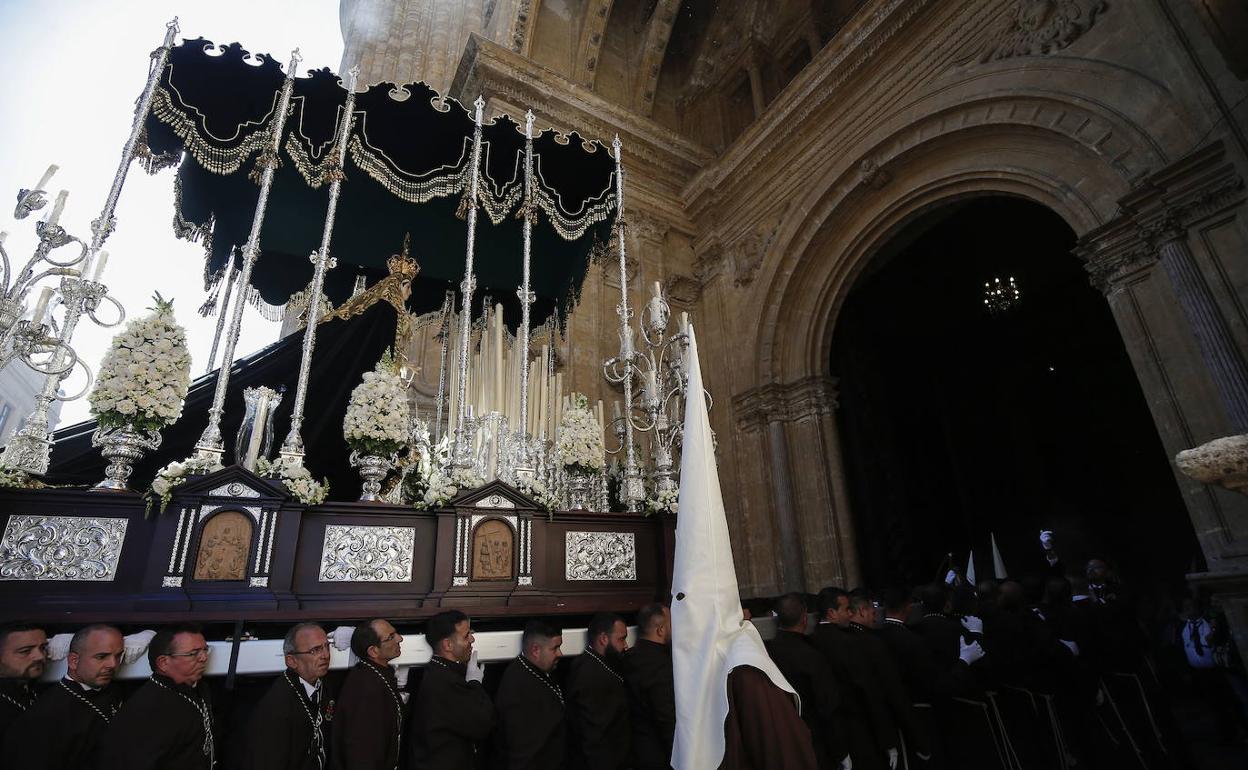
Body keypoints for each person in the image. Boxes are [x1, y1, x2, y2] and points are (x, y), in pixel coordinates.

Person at [99, 623, 216, 770]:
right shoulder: (146, 709)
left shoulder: (199, 688)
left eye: (205, 650)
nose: (204, 657)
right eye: (193, 653)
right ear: (164, 662)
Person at [6, 624, 124, 770]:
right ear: (73, 661)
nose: (112, 664)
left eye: (118, 656)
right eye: (101, 657)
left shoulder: (117, 690)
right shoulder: (47, 713)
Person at [764, 593, 848, 769]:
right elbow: (827, 707)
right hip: (814, 743)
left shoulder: (766, 653)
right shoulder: (811, 656)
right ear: (804, 618)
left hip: (779, 740)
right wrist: (841, 751)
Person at [813, 587, 893, 770]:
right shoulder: (848, 642)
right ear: (832, 613)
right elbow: (866, 689)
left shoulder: (814, 638)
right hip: (858, 728)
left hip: (832, 733)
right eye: (846, 609)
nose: (850, 614)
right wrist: (887, 739)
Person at [408, 610, 494, 770]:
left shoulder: (442, 673)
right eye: (466, 635)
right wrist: (475, 683)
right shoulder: (445, 681)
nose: (472, 639)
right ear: (448, 645)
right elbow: (482, 723)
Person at [242, 622, 332, 770]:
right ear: (292, 661)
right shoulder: (276, 705)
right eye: (315, 650)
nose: (326, 655)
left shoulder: (324, 685)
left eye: (326, 647)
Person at [331, 619, 404, 770]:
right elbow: (361, 751)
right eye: (391, 637)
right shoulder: (366, 688)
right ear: (373, 651)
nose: (400, 638)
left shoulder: (375, 674)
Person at [494, 619, 566, 770]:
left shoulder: (539, 670)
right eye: (555, 648)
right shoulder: (518, 685)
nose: (560, 653)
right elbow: (523, 755)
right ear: (535, 650)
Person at [565, 612, 631, 770]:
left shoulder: (598, 664)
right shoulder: (589, 673)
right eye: (621, 639)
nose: (626, 645)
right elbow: (594, 736)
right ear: (603, 639)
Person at [625, 603, 675, 770]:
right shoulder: (659, 665)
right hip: (658, 756)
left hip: (637, 750)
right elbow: (666, 717)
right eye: (671, 624)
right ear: (660, 630)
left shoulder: (630, 657)